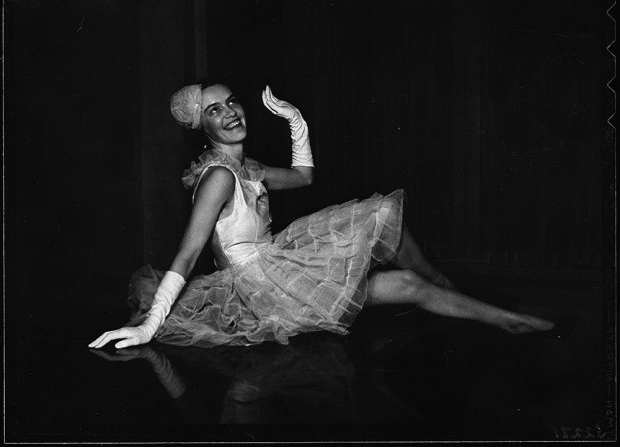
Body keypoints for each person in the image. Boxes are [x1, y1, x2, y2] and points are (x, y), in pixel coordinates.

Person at [89, 82, 554, 350]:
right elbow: (189, 254)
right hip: (261, 286)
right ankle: (459, 291)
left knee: (406, 273)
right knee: (382, 215)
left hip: (280, 265)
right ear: (202, 127)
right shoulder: (219, 178)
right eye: (215, 110)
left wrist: (295, 121)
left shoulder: (245, 167)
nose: (230, 112)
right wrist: (151, 323)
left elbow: (304, 178)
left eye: (232, 102)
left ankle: (507, 320)